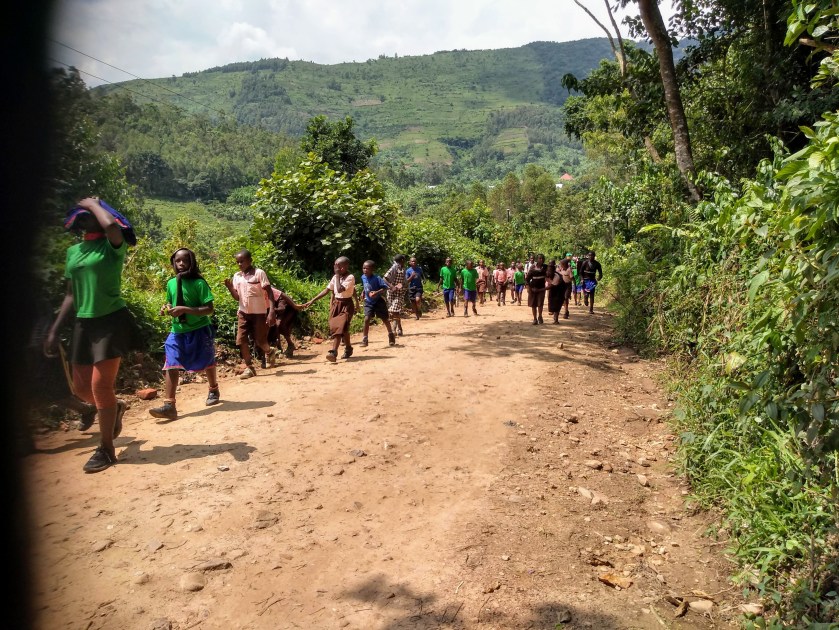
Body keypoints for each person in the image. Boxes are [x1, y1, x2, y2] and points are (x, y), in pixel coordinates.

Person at [43, 197, 134, 473]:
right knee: (81, 389)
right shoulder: (74, 252)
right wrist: (54, 330)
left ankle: (106, 449)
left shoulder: (112, 246)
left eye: (90, 214)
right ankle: (115, 408)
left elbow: (113, 228)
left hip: (110, 321)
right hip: (83, 323)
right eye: (80, 215)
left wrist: (94, 204)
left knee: (100, 387)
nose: (84, 218)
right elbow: (70, 294)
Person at [149, 248, 221, 421]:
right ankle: (169, 405)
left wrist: (185, 309)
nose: (181, 264)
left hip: (199, 329)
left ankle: (213, 389)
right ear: (173, 263)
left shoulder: (199, 283)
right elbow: (169, 301)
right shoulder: (171, 283)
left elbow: (209, 309)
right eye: (177, 261)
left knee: (207, 360)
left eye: (185, 261)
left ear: (192, 263)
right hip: (177, 331)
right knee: (171, 363)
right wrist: (166, 308)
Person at [223, 249, 276, 379]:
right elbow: (237, 297)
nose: (239, 264)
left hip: (259, 313)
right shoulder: (237, 276)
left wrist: (271, 311)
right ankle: (249, 367)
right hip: (243, 313)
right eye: (237, 262)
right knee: (241, 340)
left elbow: (269, 292)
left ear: (250, 261)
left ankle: (269, 351)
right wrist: (230, 288)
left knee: (260, 340)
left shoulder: (259, 273)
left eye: (242, 261)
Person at [303, 256, 357, 362]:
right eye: (335, 266)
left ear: (345, 267)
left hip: (346, 305)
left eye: (339, 267)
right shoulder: (335, 277)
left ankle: (333, 352)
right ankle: (348, 348)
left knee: (339, 328)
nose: (337, 269)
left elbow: (340, 289)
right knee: (343, 329)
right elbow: (327, 290)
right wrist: (312, 300)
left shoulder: (350, 277)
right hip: (336, 304)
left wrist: (337, 276)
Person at [358, 260, 396, 347]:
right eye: (364, 268)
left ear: (372, 270)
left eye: (367, 268)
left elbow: (385, 288)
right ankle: (365, 339)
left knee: (385, 319)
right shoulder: (363, 277)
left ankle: (391, 335)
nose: (365, 270)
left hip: (378, 301)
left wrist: (376, 292)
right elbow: (366, 286)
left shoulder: (377, 278)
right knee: (366, 319)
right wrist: (363, 292)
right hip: (368, 301)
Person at [268, 286, 303, 358]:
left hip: (289, 310)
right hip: (279, 310)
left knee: (279, 325)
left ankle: (290, 345)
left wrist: (271, 310)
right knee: (274, 326)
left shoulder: (279, 297)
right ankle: (279, 349)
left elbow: (282, 309)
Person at [383, 254, 407, 335]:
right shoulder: (394, 268)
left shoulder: (403, 269)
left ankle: (393, 330)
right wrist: (392, 286)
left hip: (400, 293)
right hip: (391, 293)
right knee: (394, 311)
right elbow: (384, 279)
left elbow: (403, 281)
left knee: (394, 310)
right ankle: (399, 328)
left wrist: (401, 285)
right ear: (402, 260)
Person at [525, 253, 547, 325]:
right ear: (537, 259)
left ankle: (540, 316)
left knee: (540, 303)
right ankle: (535, 319)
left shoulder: (545, 267)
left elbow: (551, 274)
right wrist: (528, 288)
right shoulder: (533, 267)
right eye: (540, 258)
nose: (541, 260)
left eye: (542, 258)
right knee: (533, 304)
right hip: (533, 289)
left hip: (541, 289)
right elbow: (527, 279)